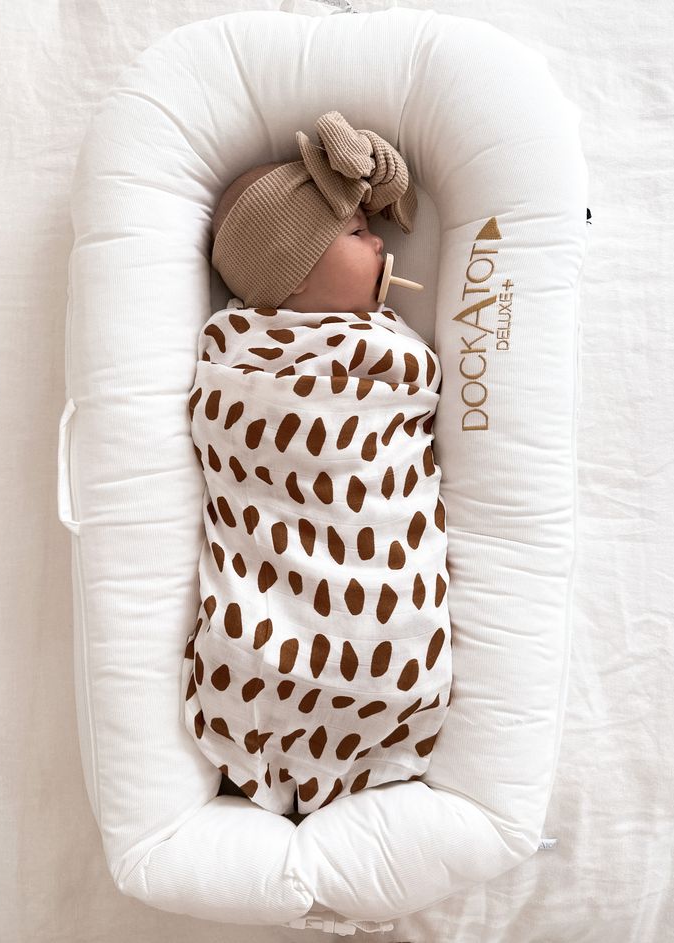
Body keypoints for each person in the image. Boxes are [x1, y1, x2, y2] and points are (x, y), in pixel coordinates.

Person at [180, 111, 452, 822]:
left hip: (383, 575)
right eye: (359, 234)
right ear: (292, 273)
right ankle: (268, 741)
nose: (380, 241)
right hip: (277, 574)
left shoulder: (380, 344)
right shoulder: (241, 353)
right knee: (257, 620)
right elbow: (232, 437)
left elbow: (409, 405)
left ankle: (356, 755)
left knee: (380, 629)